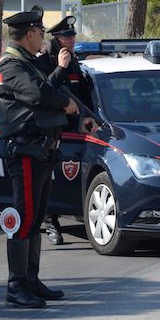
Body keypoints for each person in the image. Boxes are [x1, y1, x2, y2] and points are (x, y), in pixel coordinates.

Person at [0, 5, 95, 308]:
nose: (42, 37)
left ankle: (31, 281)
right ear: (29, 34)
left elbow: (49, 89)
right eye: (38, 32)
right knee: (23, 219)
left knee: (35, 219)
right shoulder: (11, 67)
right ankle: (16, 286)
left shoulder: (29, 63)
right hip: (24, 150)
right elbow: (40, 95)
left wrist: (80, 114)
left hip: (40, 150)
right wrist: (66, 105)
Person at [35, 15, 94, 245]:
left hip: (76, 129)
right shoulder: (45, 59)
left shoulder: (74, 58)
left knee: (71, 175)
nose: (72, 39)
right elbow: (45, 91)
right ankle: (51, 223)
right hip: (53, 129)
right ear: (58, 38)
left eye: (73, 36)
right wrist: (60, 67)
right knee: (53, 175)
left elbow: (80, 91)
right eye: (68, 36)